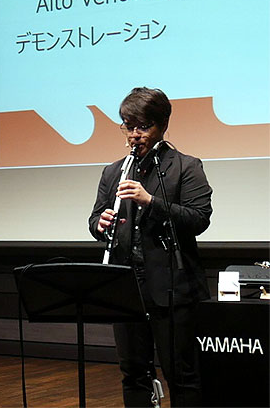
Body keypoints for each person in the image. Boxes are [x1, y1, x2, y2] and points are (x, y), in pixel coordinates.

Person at [88, 87, 213, 407]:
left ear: (162, 125)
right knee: (133, 373)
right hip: (126, 286)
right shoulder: (114, 171)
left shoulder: (186, 166)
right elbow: (95, 219)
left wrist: (150, 201)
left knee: (181, 374)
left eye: (143, 126)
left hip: (172, 285)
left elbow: (199, 219)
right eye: (128, 126)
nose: (134, 135)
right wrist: (100, 224)